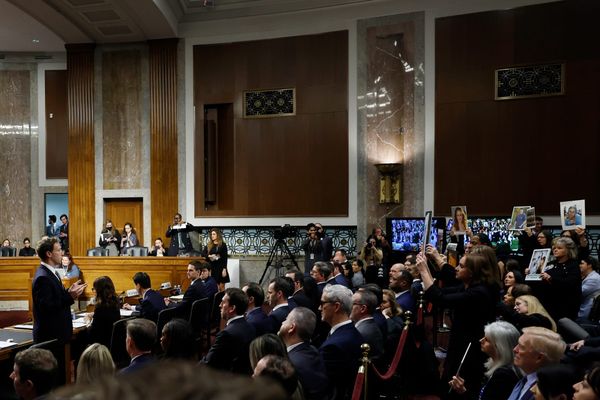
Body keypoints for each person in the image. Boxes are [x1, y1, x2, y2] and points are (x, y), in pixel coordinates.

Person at [416, 251, 499, 399]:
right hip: (459, 340)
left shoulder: (479, 293)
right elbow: (439, 292)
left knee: (458, 384)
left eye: (461, 266)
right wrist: (426, 268)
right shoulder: (467, 286)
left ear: (472, 272)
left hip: (470, 346)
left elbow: (439, 298)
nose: (456, 268)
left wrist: (423, 270)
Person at [449, 321, 522, 400]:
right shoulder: (498, 364)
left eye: (486, 339)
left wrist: (463, 391)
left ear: (499, 347)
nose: (481, 340)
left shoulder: (503, 375)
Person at [32, 237, 86, 344]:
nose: (62, 253)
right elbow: (48, 307)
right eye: (58, 250)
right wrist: (70, 296)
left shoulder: (52, 272)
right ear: (49, 254)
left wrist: (68, 291)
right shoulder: (43, 277)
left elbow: (55, 296)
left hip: (57, 334)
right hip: (50, 336)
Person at [318, 284, 363, 400]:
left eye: (322, 303)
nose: (319, 308)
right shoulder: (352, 331)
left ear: (336, 306)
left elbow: (326, 388)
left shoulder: (333, 347)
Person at [278, 307, 330, 400]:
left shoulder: (290, 362)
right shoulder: (313, 350)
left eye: (286, 320)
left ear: (291, 327)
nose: (282, 322)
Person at [201, 288, 257, 374]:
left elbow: (208, 362)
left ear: (232, 308)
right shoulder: (250, 326)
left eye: (223, 302)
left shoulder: (226, 334)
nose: (219, 305)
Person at [507, 327, 566, 400]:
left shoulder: (543, 394)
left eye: (521, 347)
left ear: (539, 357)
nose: (515, 349)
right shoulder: (526, 379)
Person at [535, 236, 581, 322]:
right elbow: (540, 278)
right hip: (547, 302)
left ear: (568, 250)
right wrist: (532, 272)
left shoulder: (573, 265)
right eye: (554, 248)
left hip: (564, 305)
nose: (555, 250)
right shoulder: (550, 263)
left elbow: (570, 283)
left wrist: (551, 278)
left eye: (559, 248)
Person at [350, 288, 384, 360]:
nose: (348, 307)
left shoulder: (360, 333)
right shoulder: (370, 325)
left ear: (363, 308)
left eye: (351, 304)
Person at [87, 276, 121, 347]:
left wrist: (88, 322)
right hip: (114, 345)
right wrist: (94, 314)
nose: (94, 291)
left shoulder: (100, 308)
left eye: (94, 289)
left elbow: (92, 334)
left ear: (99, 291)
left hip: (101, 346)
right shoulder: (115, 303)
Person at [579, 256, 600, 323]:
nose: (579, 265)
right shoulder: (588, 276)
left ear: (589, 265)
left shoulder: (594, 278)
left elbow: (578, 294)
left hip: (584, 313)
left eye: (582, 263)